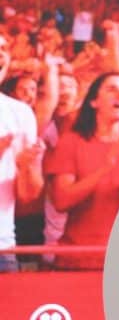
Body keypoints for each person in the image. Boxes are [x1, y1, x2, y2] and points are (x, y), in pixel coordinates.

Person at [45, 72, 119, 269]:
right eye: (112, 89)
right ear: (94, 101)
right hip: (78, 259)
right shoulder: (71, 142)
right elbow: (61, 201)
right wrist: (104, 170)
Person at [0, 34, 44, 272]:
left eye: (5, 48)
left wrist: (27, 166)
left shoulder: (21, 113)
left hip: (3, 249)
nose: (1, 53)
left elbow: (29, 196)